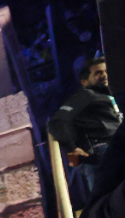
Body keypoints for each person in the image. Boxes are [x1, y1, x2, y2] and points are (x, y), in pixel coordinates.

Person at [49, 57, 120, 205]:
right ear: (84, 81)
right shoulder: (86, 95)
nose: (105, 75)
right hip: (103, 151)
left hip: (116, 149)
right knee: (112, 205)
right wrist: (71, 148)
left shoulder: (111, 97)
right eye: (98, 73)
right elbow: (58, 121)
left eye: (107, 71)